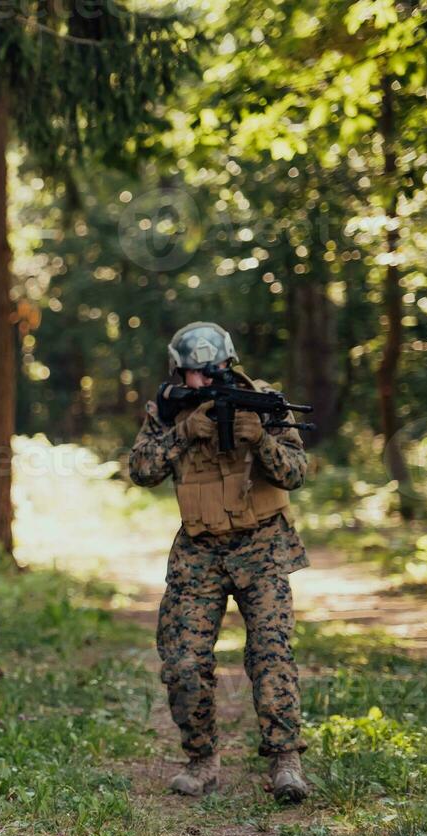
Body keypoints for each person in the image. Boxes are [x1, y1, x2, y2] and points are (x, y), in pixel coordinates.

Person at [129, 321, 311, 803]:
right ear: (178, 371)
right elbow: (141, 470)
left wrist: (262, 441)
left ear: (227, 366)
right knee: (184, 660)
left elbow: (295, 474)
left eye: (210, 374)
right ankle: (202, 760)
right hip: (198, 551)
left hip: (263, 547)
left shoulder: (266, 402)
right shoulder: (169, 411)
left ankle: (285, 760)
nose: (202, 384)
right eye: (192, 375)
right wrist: (184, 432)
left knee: (272, 654)